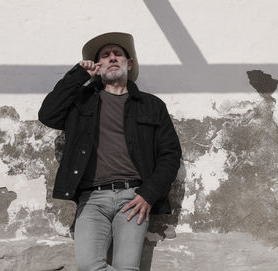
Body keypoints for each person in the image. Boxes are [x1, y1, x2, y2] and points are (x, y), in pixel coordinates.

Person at [38, 32, 181, 271]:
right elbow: (48, 114)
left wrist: (149, 193)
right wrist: (78, 75)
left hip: (134, 198)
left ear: (129, 63)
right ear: (98, 65)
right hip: (92, 199)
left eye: (118, 54)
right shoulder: (81, 101)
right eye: (105, 55)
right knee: (88, 266)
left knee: (127, 267)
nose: (112, 57)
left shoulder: (152, 105)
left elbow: (170, 154)